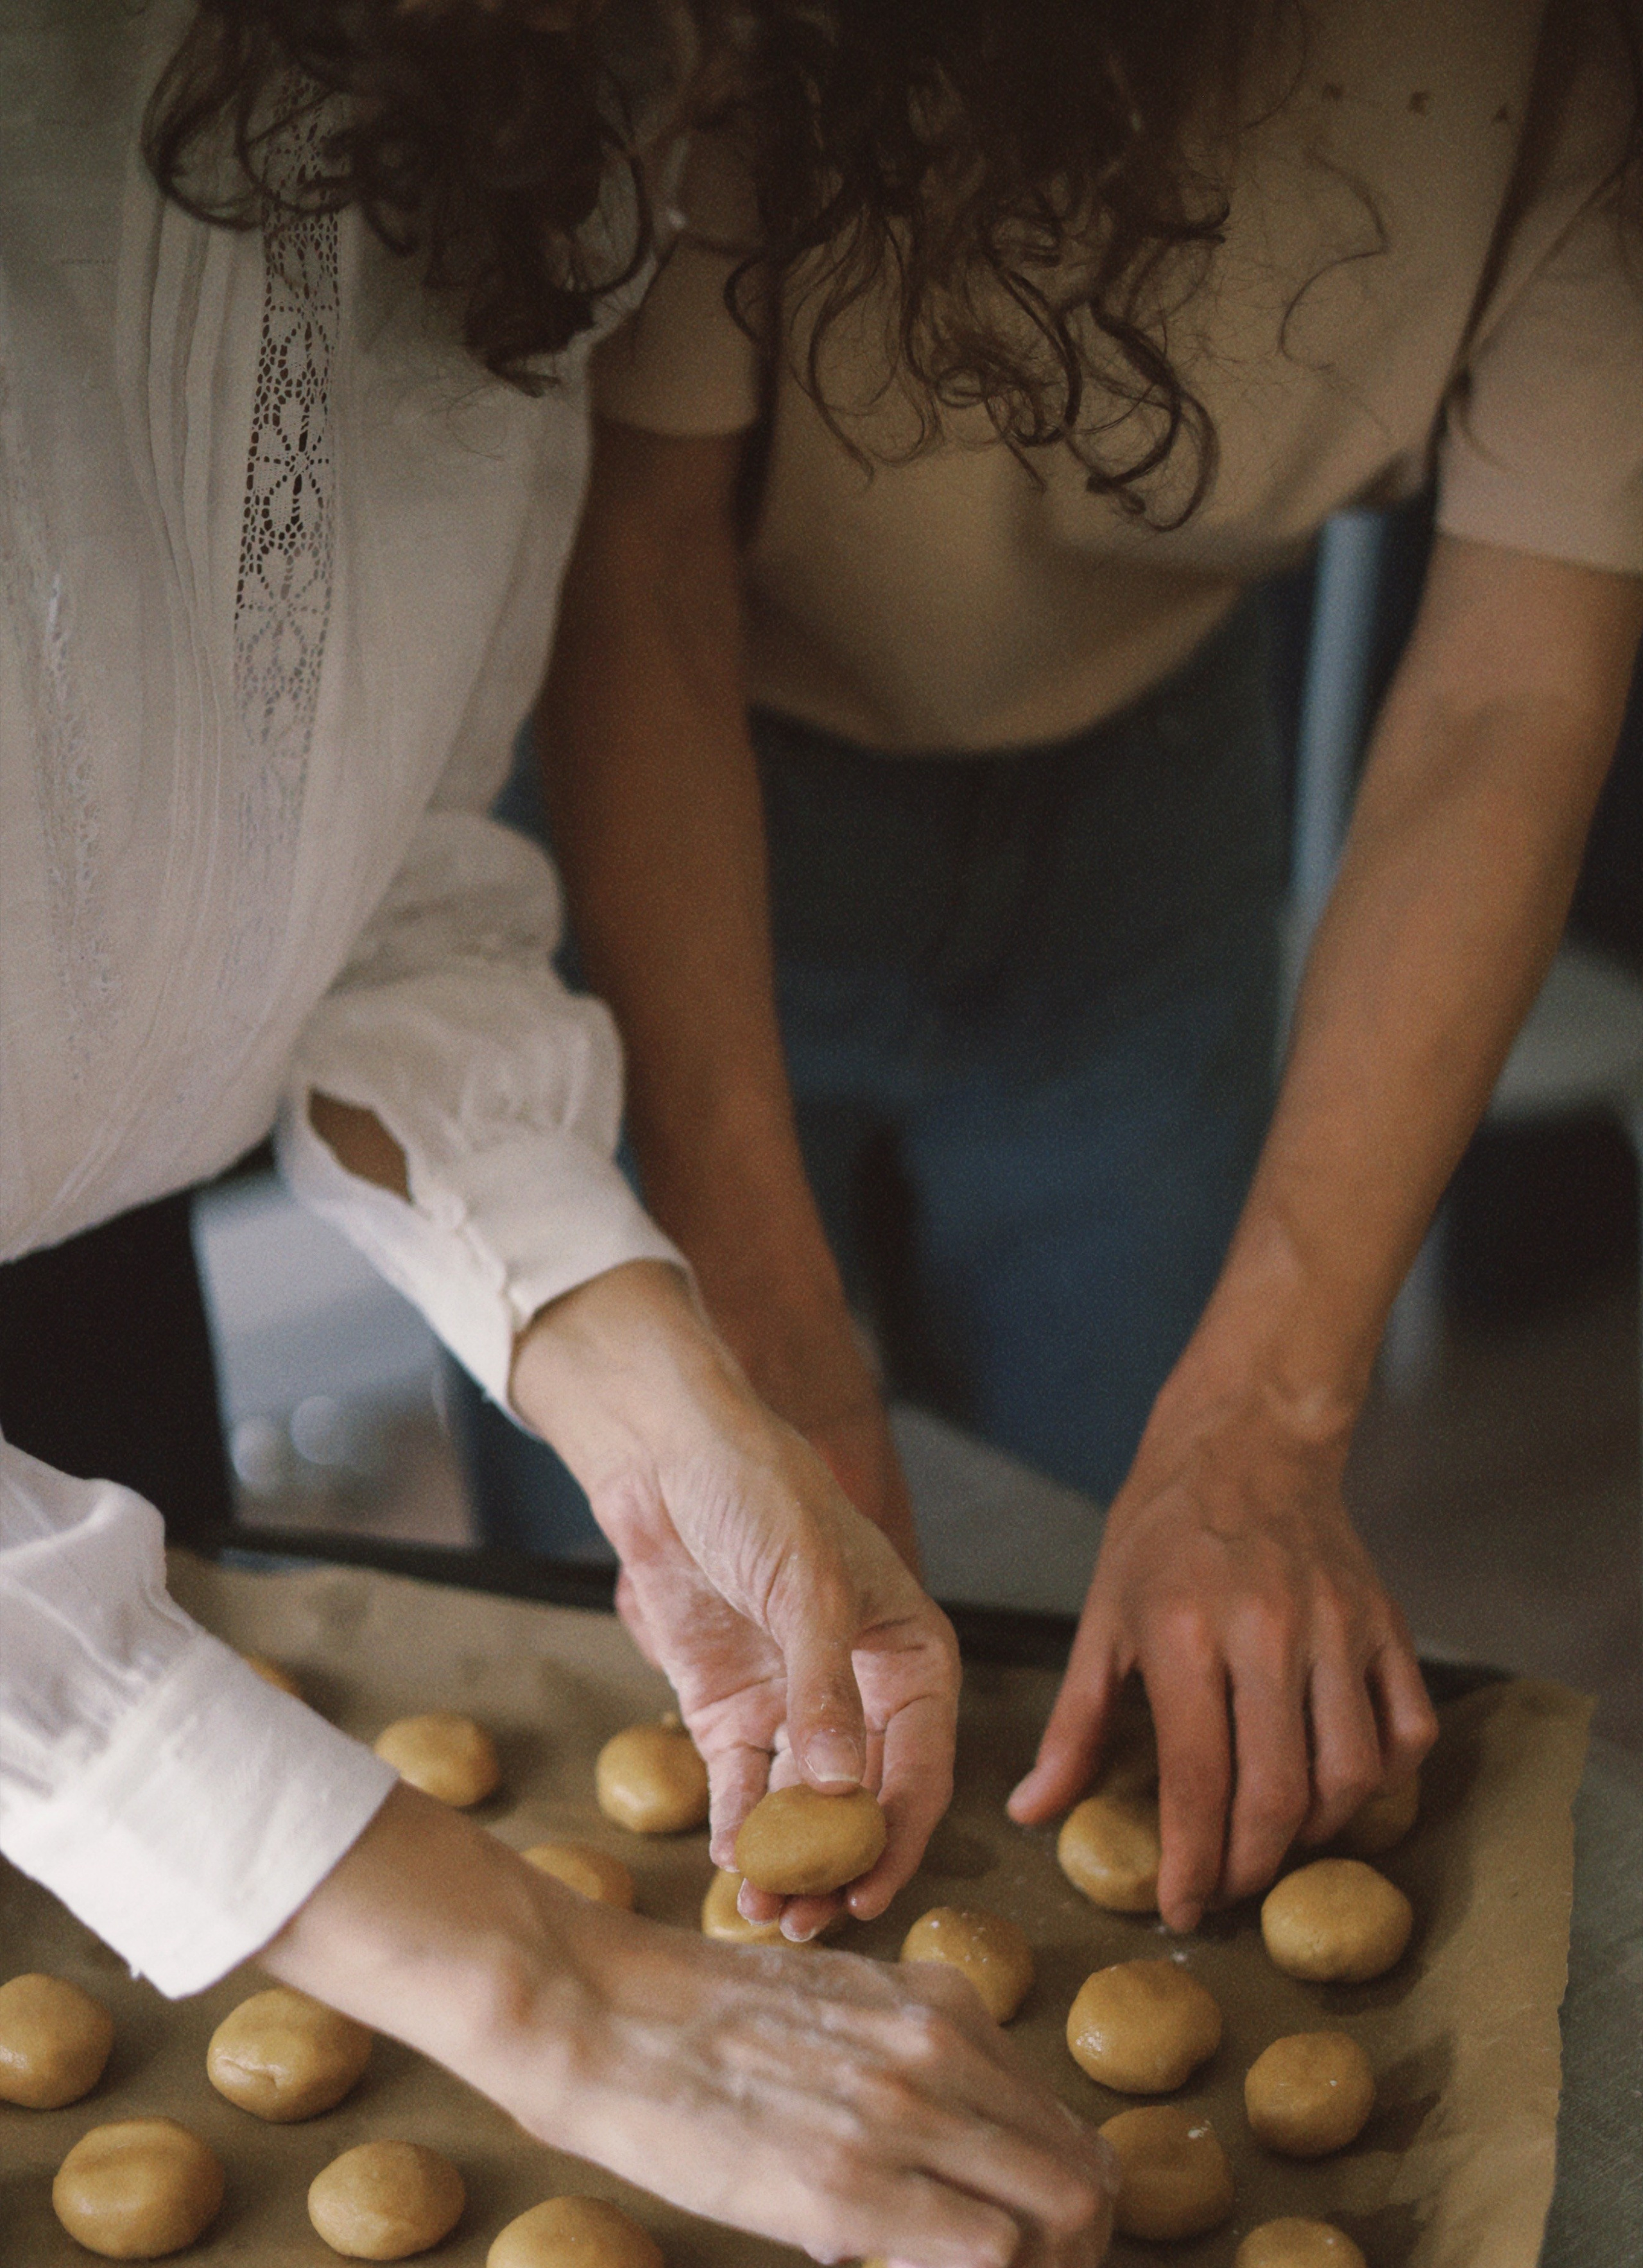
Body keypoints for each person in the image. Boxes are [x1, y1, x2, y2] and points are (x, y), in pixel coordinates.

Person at [0, 0, 1109, 2268]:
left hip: (75, 1268)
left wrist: (649, 1388)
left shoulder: (554, 113)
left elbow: (388, 884)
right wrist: (545, 1985)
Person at [467, 0, 1643, 1934]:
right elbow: (639, 553)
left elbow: (1511, 696)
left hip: (1161, 782)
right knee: (683, 1611)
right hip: (692, 756)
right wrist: (759, 1299)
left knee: (1130, 1591)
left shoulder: (1578, 62)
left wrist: (1273, 1415)